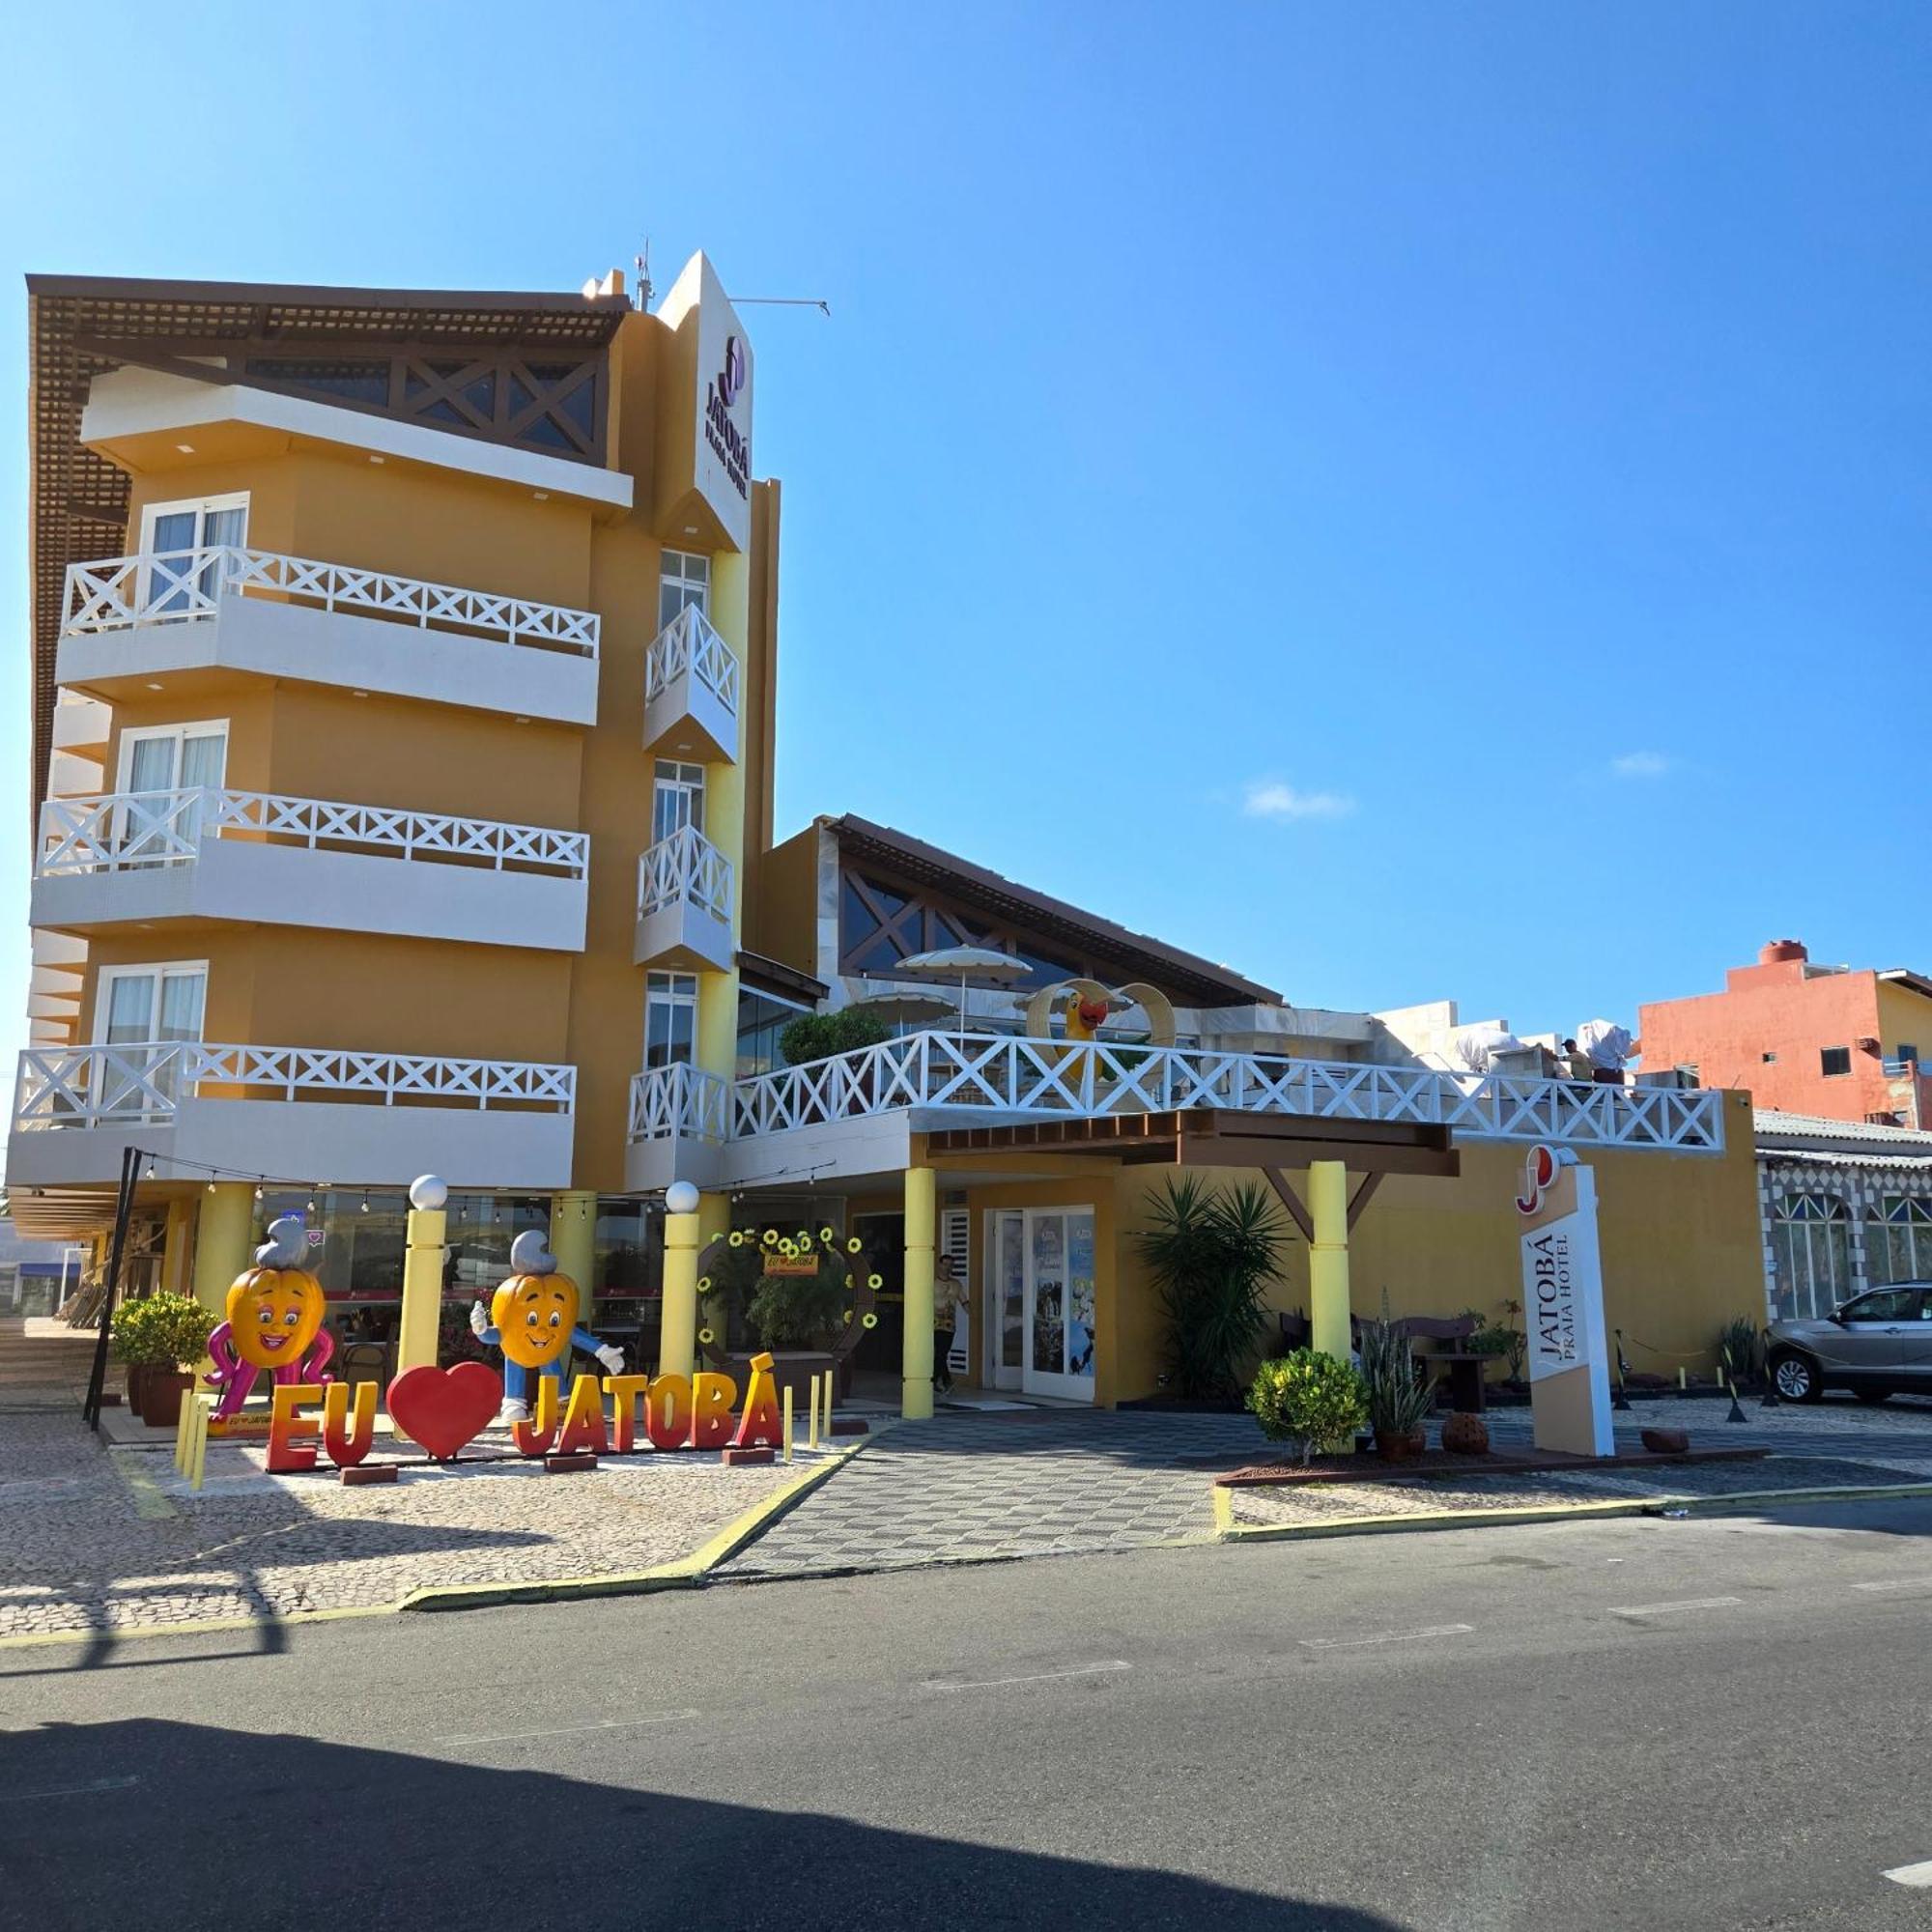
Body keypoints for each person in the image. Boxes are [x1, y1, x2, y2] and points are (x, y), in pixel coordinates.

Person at [932, 1254, 967, 1395]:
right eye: (945, 1264)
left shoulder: (956, 1284)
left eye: (950, 1265)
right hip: (932, 1324)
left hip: (949, 1325)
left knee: (942, 1353)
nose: (947, 1268)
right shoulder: (932, 1283)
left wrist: (973, 1313)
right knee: (940, 1354)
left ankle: (943, 1381)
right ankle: (939, 1381)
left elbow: (964, 1300)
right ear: (939, 1265)